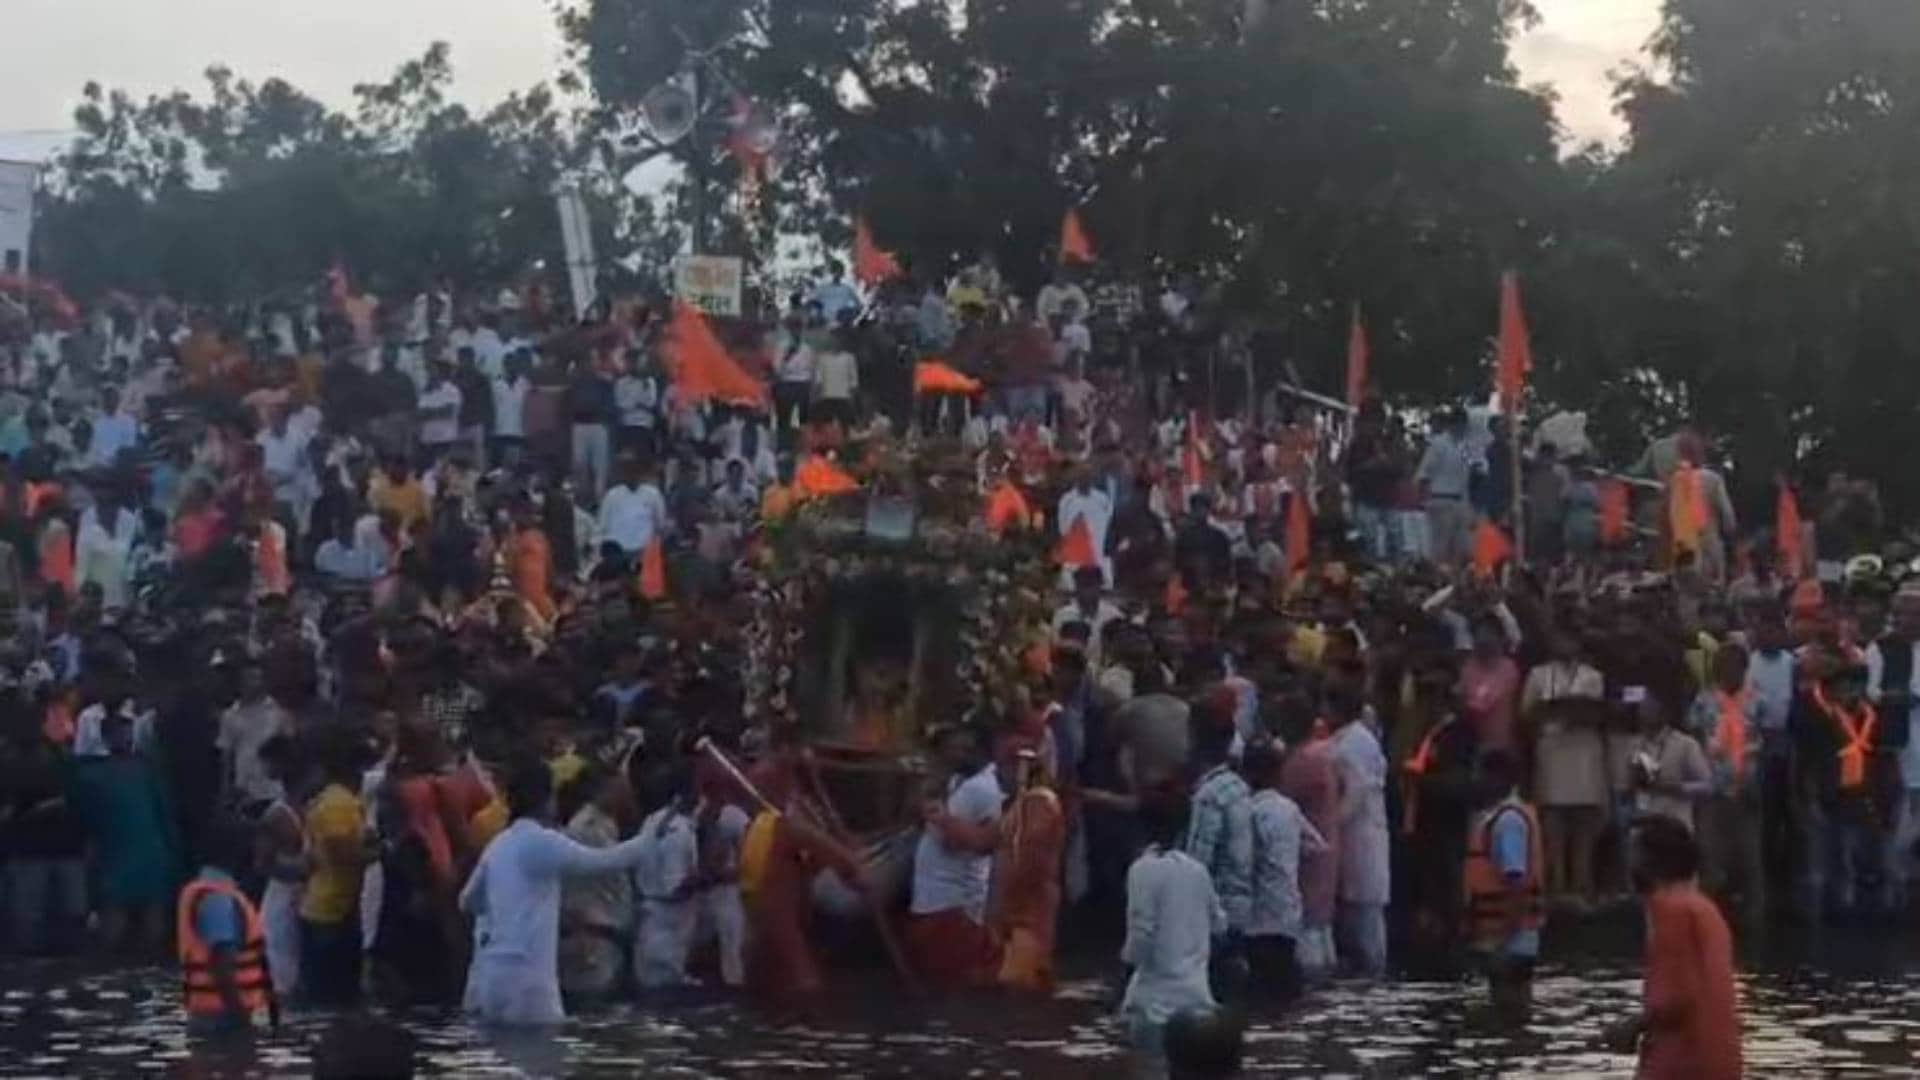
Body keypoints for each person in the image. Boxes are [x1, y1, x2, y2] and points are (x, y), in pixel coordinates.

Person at [460, 757, 652, 1026]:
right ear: (547, 798)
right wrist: (653, 835)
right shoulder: (543, 842)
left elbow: (467, 902)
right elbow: (606, 860)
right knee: (544, 1059)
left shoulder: (498, 845)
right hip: (530, 982)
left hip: (492, 979)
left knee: (497, 1060)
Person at [1607, 816, 1741, 1079]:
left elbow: (1676, 997)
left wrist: (1631, 1026)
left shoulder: (1669, 909)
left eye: (1633, 854)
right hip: (1721, 1057)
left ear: (1651, 862)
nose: (1627, 864)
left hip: (1682, 1059)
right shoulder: (1704, 908)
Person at [1122, 789, 1224, 1078]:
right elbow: (1220, 925)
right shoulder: (1197, 871)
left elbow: (1140, 938)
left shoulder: (1142, 870)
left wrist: (1123, 974)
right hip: (1198, 1003)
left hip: (1154, 1008)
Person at [906, 723, 1005, 989]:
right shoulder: (959, 782)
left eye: (959, 748)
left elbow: (980, 843)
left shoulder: (980, 789)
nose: (951, 754)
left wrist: (940, 818)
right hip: (938, 904)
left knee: (949, 989)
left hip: (951, 907)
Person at [1522, 626, 1608, 907]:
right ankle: (1555, 890)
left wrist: (1572, 711)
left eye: (1570, 638)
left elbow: (1598, 713)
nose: (1565, 643)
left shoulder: (1593, 676)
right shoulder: (1538, 675)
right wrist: (1550, 711)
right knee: (1553, 827)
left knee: (1584, 825)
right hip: (1551, 753)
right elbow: (1526, 713)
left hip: (1584, 754)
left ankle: (1582, 888)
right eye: (1561, 637)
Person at [1462, 749, 1543, 1026]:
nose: (1476, 781)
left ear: (1499, 778)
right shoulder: (1499, 817)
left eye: (1481, 774)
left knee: (1509, 1015)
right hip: (1509, 939)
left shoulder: (1508, 822)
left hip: (1511, 942)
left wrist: (1500, 940)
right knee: (1508, 1016)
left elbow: (1516, 884)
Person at [1685, 644, 1765, 923]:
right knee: (1710, 856)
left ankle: (1755, 919)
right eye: (1723, 666)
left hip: (1747, 788)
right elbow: (1694, 737)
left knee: (1750, 858)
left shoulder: (1757, 698)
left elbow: (1769, 739)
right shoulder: (1703, 700)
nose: (1728, 672)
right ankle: (1708, 917)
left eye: (1734, 666)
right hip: (1711, 790)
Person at [1242, 740, 1325, 1002]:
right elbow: (1318, 845)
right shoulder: (1289, 809)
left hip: (1257, 918)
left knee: (1261, 992)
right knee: (1286, 991)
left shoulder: (1249, 810)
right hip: (1289, 913)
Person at [176, 818, 275, 1034]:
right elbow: (222, 965)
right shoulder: (218, 899)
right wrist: (243, 1022)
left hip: (210, 1015)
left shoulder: (203, 890)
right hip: (223, 1021)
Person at [1183, 699, 1253, 995]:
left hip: (1215, 917)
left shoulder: (1208, 796)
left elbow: (1196, 868)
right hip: (1242, 910)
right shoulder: (1238, 786)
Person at [301, 731, 373, 1007]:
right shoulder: (338, 804)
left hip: (332, 907)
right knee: (332, 997)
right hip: (329, 912)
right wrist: (381, 852)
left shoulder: (336, 800)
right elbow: (342, 855)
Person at [991, 742, 1067, 993]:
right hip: (1019, 901)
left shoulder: (1039, 801)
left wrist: (1011, 901)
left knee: (1023, 977)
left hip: (1028, 904)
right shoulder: (1022, 802)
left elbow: (1031, 856)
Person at [1327, 685, 1390, 978]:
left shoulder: (1353, 743)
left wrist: (1331, 823)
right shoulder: (1357, 738)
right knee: (1360, 912)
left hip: (1360, 834)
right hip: (1363, 833)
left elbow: (1357, 789)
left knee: (1365, 916)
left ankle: (1373, 976)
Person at [633, 765, 702, 991]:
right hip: (666, 931)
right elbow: (676, 886)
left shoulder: (651, 821)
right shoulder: (678, 831)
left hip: (651, 922)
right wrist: (716, 874)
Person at [1628, 691, 1712, 835]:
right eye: (1642, 708)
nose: (1644, 713)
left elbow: (1707, 786)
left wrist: (1676, 788)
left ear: (1664, 713)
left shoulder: (1686, 744)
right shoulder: (1634, 744)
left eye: (1650, 708)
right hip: (1642, 825)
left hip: (1676, 826)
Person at [1416, 409, 1475, 566]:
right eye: (1460, 424)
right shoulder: (1438, 444)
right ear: (1452, 425)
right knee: (1439, 549)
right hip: (1440, 499)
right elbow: (1424, 474)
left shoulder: (1465, 447)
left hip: (1460, 502)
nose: (1462, 428)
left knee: (1462, 550)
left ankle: (1455, 583)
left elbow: (1466, 478)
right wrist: (1422, 501)